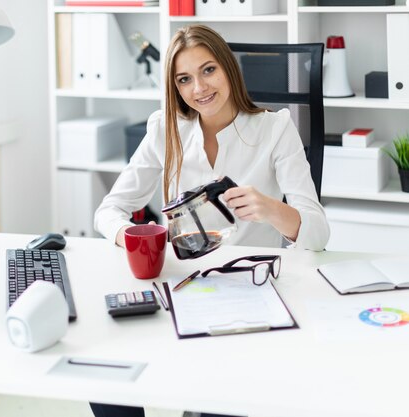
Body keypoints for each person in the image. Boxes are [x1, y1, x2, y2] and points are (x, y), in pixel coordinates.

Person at [90, 24, 329, 417]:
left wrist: (270, 208)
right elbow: (108, 211)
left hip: (248, 295)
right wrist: (141, 240)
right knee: (105, 377)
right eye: (184, 79)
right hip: (180, 288)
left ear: (228, 70)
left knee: (218, 404)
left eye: (208, 70)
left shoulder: (275, 129)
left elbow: (318, 236)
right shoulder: (165, 128)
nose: (199, 88)